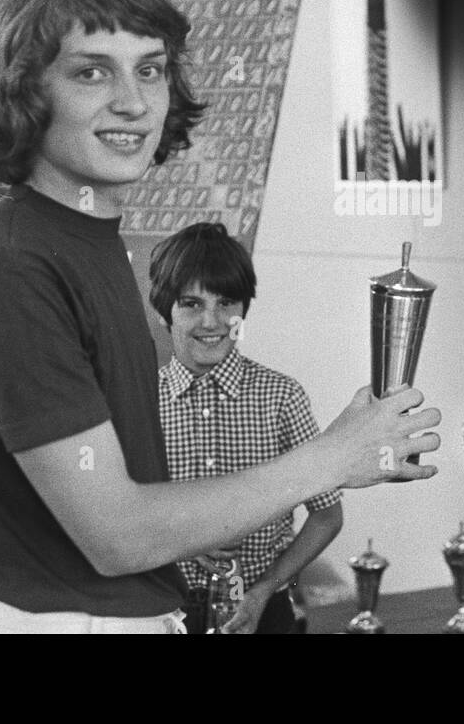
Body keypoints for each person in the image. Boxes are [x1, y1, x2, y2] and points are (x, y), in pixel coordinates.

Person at [0, 0, 439, 634]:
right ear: (22, 91)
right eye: (91, 71)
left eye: (151, 68)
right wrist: (335, 455)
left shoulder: (80, 238)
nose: (134, 102)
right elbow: (117, 535)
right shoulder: (10, 269)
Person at [148, 222, 342, 634]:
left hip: (262, 609)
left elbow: (327, 516)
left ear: (243, 310)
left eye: (226, 302)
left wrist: (268, 587)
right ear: (165, 313)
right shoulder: (139, 399)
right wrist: (178, 539)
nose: (212, 321)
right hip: (162, 611)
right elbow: (113, 517)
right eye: (191, 304)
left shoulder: (281, 396)